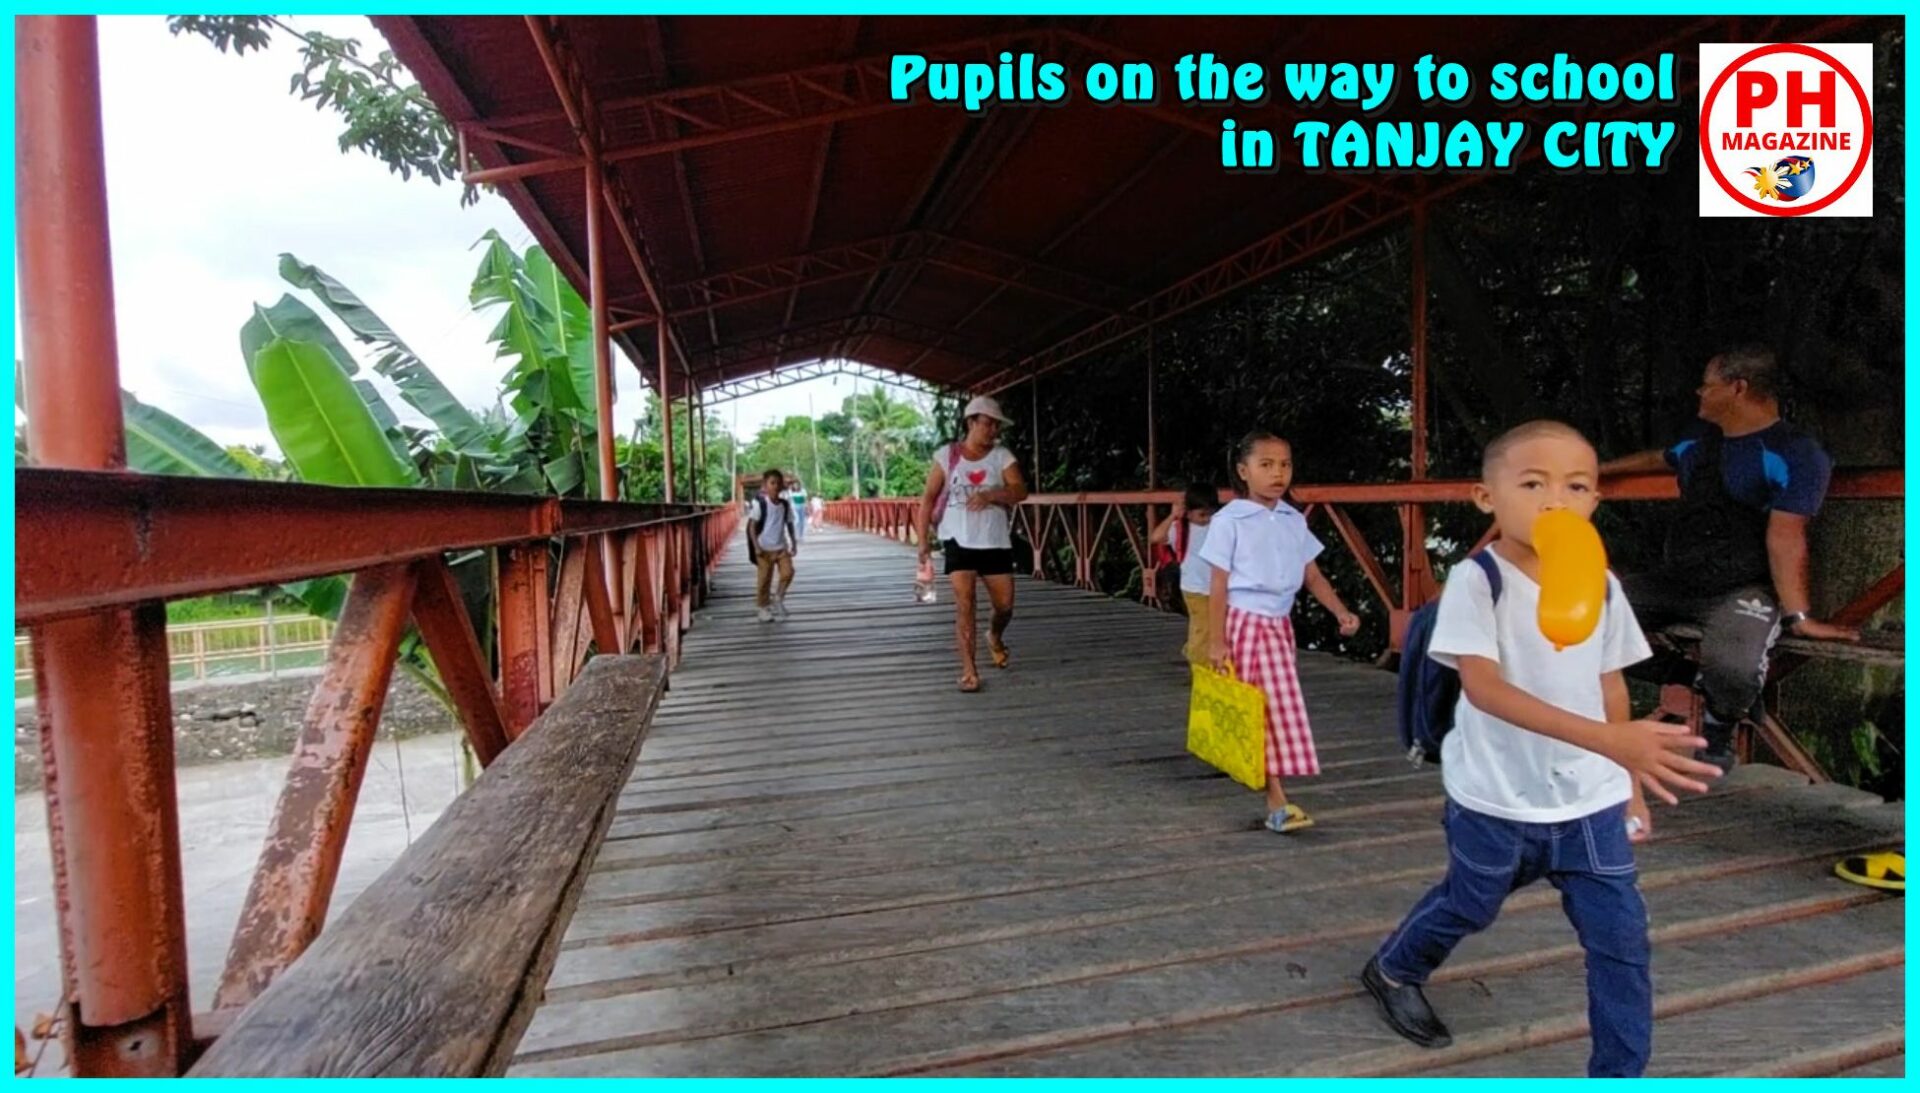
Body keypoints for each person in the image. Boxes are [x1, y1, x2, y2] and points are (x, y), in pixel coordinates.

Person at [1361, 420, 1724, 1077]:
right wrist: (1611, 740)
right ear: (1485, 497)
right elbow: (1486, 689)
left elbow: (1610, 683)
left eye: (1576, 485)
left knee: (1621, 943)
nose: (1555, 499)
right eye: (1533, 483)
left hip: (1590, 799)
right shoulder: (1479, 582)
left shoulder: (1604, 585)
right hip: (1495, 795)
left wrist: (1631, 780)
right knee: (1471, 901)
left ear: (1594, 502)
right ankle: (1394, 967)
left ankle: (1618, 1075)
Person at [1601, 345, 1858, 772]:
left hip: (1745, 587)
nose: (1699, 393)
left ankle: (1720, 721)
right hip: (1677, 580)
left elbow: (1786, 536)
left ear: (1738, 388)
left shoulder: (1795, 452)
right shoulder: (1700, 442)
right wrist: (1591, 471)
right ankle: (1682, 676)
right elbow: (1661, 457)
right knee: (1582, 622)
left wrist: (1800, 616)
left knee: (1735, 670)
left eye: (1707, 385)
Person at [1200, 432, 1361, 833]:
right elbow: (1217, 583)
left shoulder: (1292, 520)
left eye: (1285, 465)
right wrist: (1216, 639)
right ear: (1243, 471)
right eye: (1266, 465)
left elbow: (1312, 574)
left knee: (1266, 708)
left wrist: (1340, 611)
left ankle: (1266, 783)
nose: (1277, 473)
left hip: (1279, 625)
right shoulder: (1229, 520)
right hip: (1246, 622)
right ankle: (1277, 799)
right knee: (1265, 710)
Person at [916, 395, 1029, 693]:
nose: (994, 430)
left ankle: (994, 633)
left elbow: (1020, 491)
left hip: (994, 541)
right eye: (988, 424)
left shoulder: (1001, 456)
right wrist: (922, 541)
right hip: (957, 538)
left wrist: (992, 495)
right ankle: (969, 671)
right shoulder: (947, 455)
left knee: (1004, 605)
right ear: (971, 422)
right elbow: (928, 498)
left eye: (996, 425)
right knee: (964, 603)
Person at [1150, 482, 1223, 666]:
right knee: (1203, 627)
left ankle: (1195, 650)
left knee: (1213, 626)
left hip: (1216, 587)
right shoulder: (1180, 529)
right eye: (1201, 514)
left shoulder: (1219, 526)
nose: (1207, 518)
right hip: (1195, 588)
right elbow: (1156, 538)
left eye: (1210, 513)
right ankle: (1199, 662)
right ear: (1188, 512)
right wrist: (1173, 516)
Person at [746, 468, 798, 623]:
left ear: (782, 485)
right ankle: (763, 608)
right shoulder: (760, 503)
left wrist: (794, 543)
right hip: (764, 548)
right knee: (764, 580)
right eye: (772, 483)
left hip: (781, 547)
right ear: (765, 485)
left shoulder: (785, 505)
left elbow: (789, 524)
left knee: (788, 572)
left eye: (778, 483)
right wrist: (756, 546)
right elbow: (752, 527)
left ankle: (778, 598)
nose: (775, 486)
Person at [787, 478, 810, 542]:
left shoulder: (803, 490)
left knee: (802, 522)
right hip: (794, 507)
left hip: (802, 506)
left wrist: (807, 507)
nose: (796, 486)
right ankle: (795, 535)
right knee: (796, 521)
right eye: (794, 484)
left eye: (797, 484)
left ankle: (801, 536)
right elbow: (790, 500)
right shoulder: (790, 491)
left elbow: (805, 499)